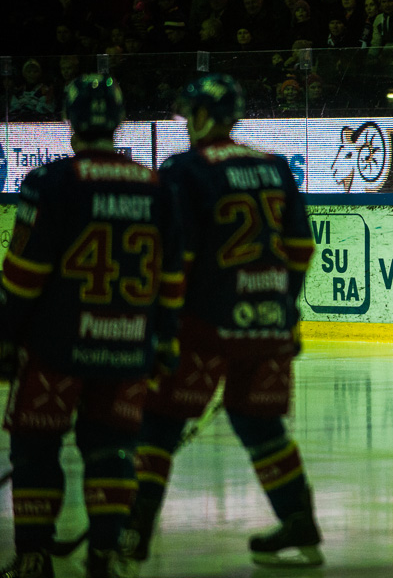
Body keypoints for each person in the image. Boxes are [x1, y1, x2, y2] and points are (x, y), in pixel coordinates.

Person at [122, 74, 322, 568]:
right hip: (267, 324)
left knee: (161, 423)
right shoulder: (274, 167)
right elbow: (300, 247)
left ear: (203, 117)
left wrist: (162, 325)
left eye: (190, 115)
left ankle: (134, 535)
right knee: (261, 424)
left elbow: (174, 258)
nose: (187, 124)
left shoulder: (183, 170)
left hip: (202, 324)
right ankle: (301, 523)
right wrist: (284, 310)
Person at [0, 74, 184, 578]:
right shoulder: (157, 186)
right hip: (126, 350)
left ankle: (35, 555)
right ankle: (106, 554)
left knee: (35, 447)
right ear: (118, 120)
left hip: (56, 349)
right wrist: (165, 338)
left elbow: (24, 273)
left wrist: (4, 334)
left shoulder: (50, 182)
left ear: (71, 121)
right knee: (113, 450)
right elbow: (171, 277)